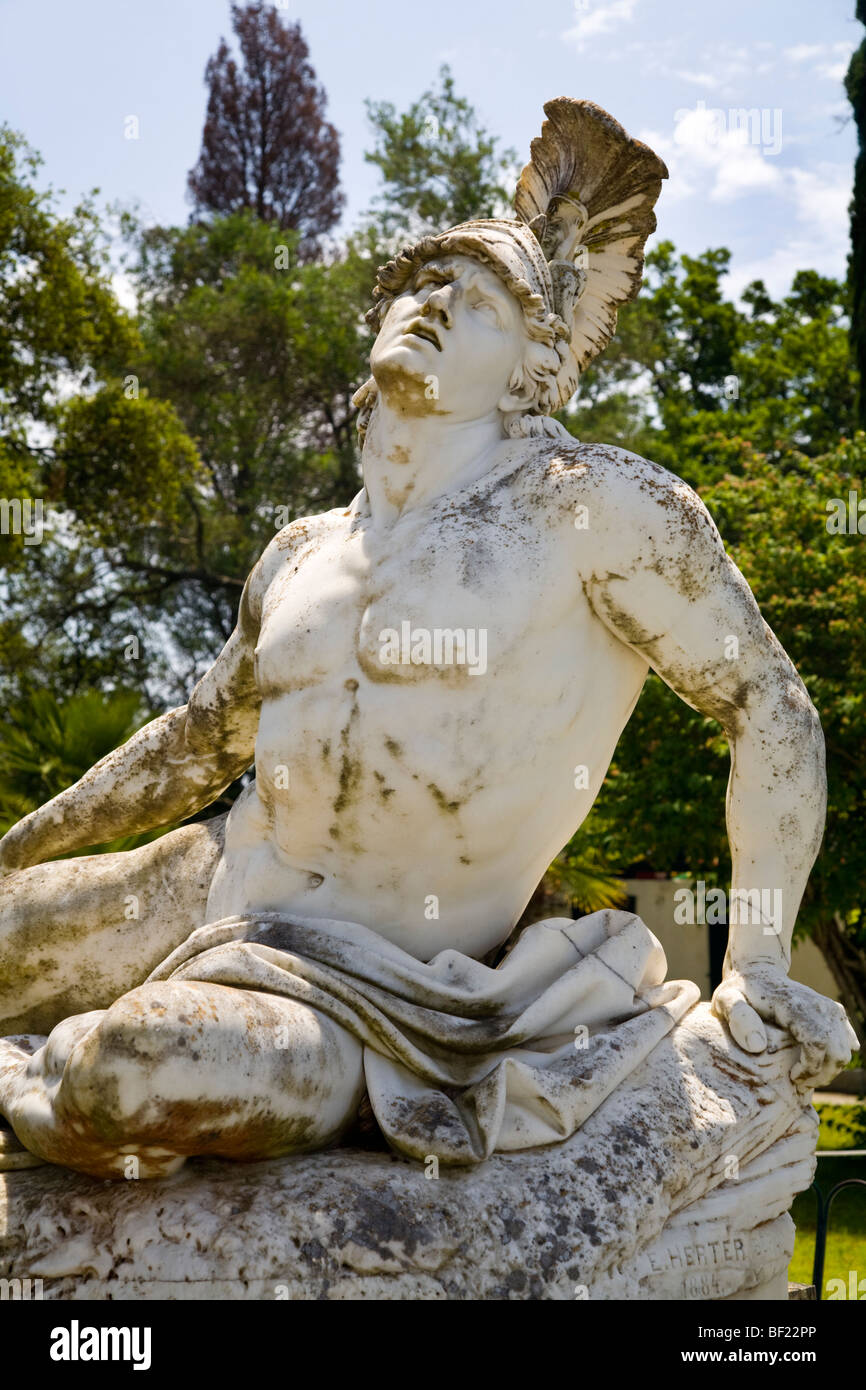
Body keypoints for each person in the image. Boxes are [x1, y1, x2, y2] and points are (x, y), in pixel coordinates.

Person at [0, 100, 854, 1179]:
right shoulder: (301, 550)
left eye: (485, 298)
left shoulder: (587, 507)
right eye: (421, 280)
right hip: (204, 893)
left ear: (533, 366)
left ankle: (53, 1076)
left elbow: (766, 703)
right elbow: (191, 743)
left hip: (389, 988)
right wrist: (18, 849)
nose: (438, 300)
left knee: (121, 1071)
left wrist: (759, 967)